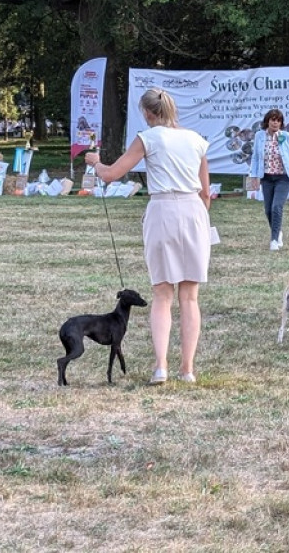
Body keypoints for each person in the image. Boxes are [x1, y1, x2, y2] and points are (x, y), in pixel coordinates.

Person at [85, 87, 211, 385]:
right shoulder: (196, 140)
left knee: (162, 294)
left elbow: (111, 174)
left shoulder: (148, 137)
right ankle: (188, 369)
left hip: (163, 211)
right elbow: (206, 192)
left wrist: (95, 162)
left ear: (147, 113)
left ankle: (161, 367)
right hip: (194, 211)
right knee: (190, 297)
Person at [248, 108, 289, 250]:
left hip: (283, 178)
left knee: (277, 207)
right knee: (268, 210)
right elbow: (255, 157)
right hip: (266, 178)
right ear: (267, 121)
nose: (275, 123)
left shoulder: (286, 136)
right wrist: (253, 177)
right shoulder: (259, 136)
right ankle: (278, 231)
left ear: (281, 123)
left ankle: (274, 240)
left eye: (278, 120)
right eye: (272, 120)